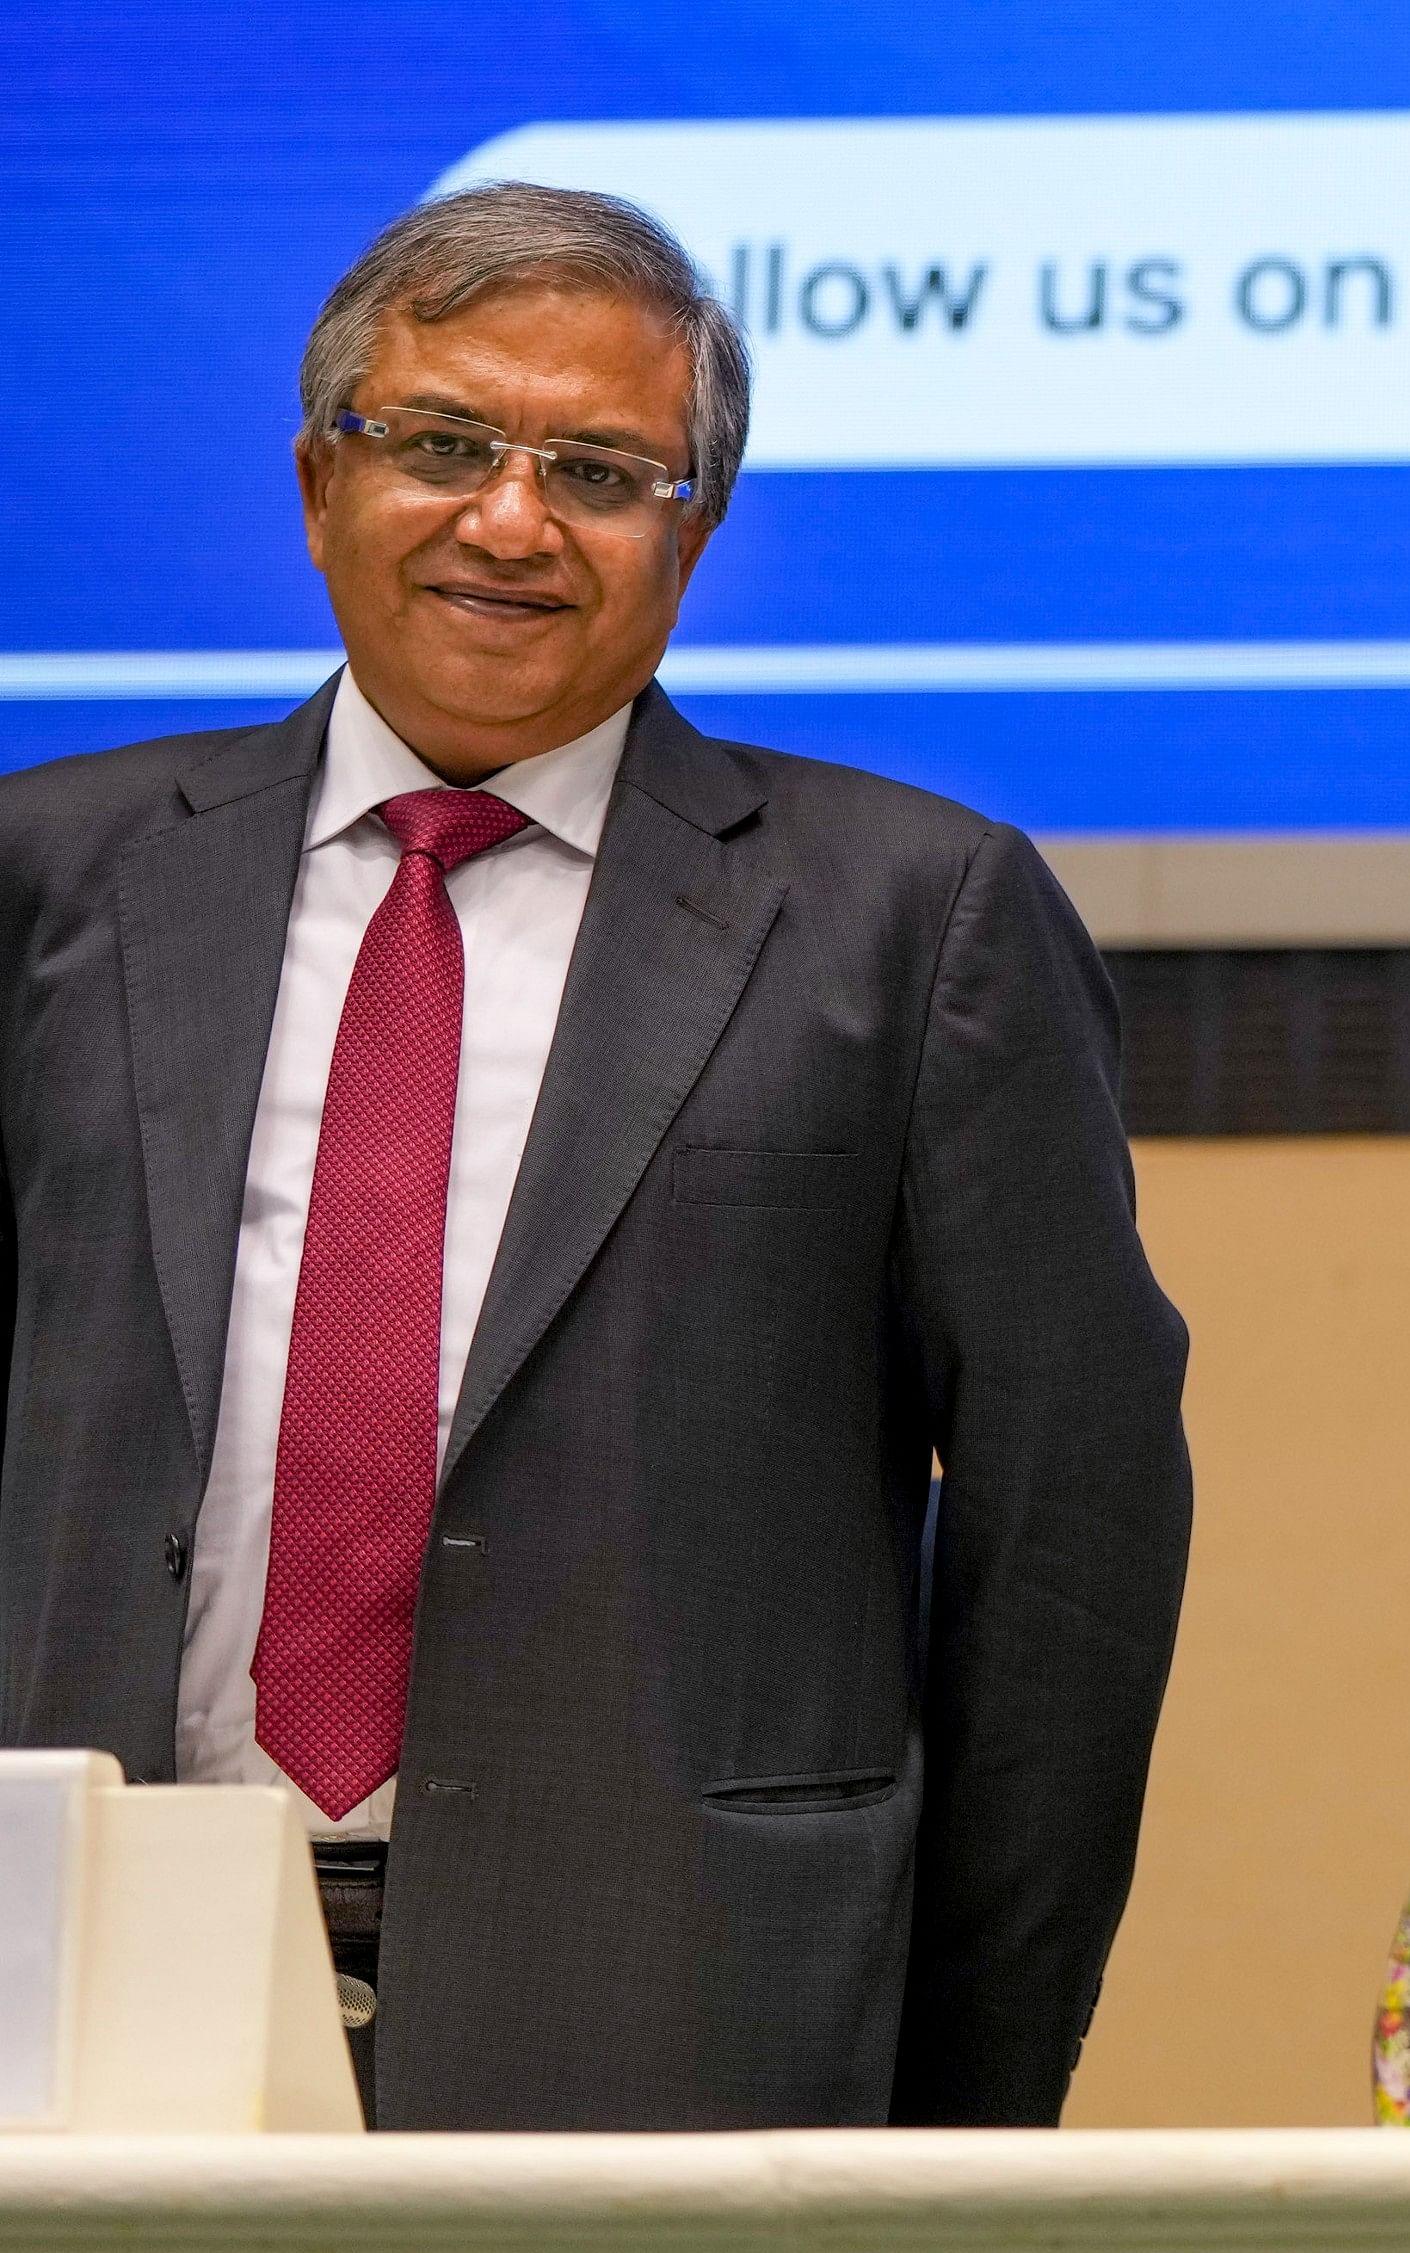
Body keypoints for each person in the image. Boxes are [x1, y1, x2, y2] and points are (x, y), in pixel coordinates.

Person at [0, 184, 1192, 2128]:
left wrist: (962, 2101)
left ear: (695, 533)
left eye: (603, 469)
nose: (511, 520)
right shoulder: (52, 880)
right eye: (444, 443)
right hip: (77, 1991)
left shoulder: (915, 917)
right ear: (320, 487)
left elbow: (1074, 1538)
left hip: (688, 2002)